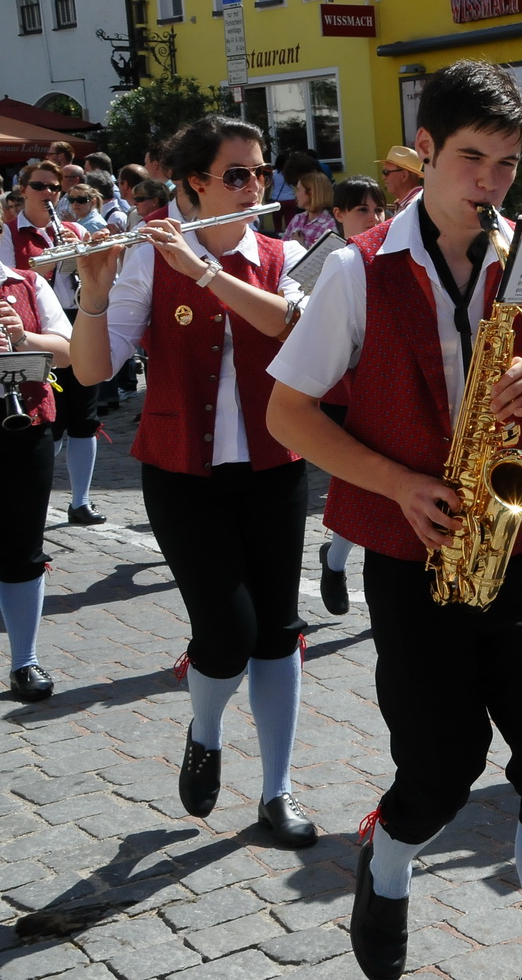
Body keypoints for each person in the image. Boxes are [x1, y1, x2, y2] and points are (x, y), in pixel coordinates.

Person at [266, 60, 522, 980]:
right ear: (424, 151)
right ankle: (390, 855)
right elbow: (287, 415)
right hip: (414, 555)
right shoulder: (354, 268)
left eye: (506, 164)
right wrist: (398, 485)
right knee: (439, 769)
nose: (491, 185)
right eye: (469, 159)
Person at [68, 114, 317, 849]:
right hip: (183, 474)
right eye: (236, 175)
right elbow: (90, 370)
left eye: (259, 172)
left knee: (278, 634)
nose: (254, 186)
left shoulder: (287, 252)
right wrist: (93, 291)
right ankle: (205, 730)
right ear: (193, 186)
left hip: (275, 468)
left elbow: (288, 328)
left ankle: (277, 790)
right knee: (228, 632)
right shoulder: (148, 257)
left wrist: (207, 271)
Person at [1, 161, 103, 527]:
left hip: (77, 321)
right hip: (32, 325)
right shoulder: (10, 233)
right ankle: (42, 490)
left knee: (85, 413)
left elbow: (99, 284)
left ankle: (81, 499)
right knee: (49, 414)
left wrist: (82, 256)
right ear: (24, 190)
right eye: (41, 186)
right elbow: (15, 282)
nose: (49, 194)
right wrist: (51, 262)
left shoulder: (73, 229)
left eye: (55, 188)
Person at [311, 175, 390, 617]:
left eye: (379, 210)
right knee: (357, 483)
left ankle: (343, 562)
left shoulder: (386, 256)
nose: (374, 218)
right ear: (338, 214)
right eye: (362, 210)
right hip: (339, 389)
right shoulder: (330, 260)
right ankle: (337, 561)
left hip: (376, 384)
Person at [0, 255, 73, 701]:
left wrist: (20, 336)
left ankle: (24, 660)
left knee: (23, 546)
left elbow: (66, 353)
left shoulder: (24, 283)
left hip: (23, 428)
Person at [284, 171, 337, 248]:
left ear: (311, 192)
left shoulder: (330, 224)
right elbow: (282, 248)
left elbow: (328, 257)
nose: (295, 194)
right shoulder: (297, 219)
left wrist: (300, 247)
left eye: (298, 190)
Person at [377, 146, 423, 213]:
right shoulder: (411, 202)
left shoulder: (414, 205)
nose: (383, 177)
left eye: (386, 172)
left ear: (404, 175)